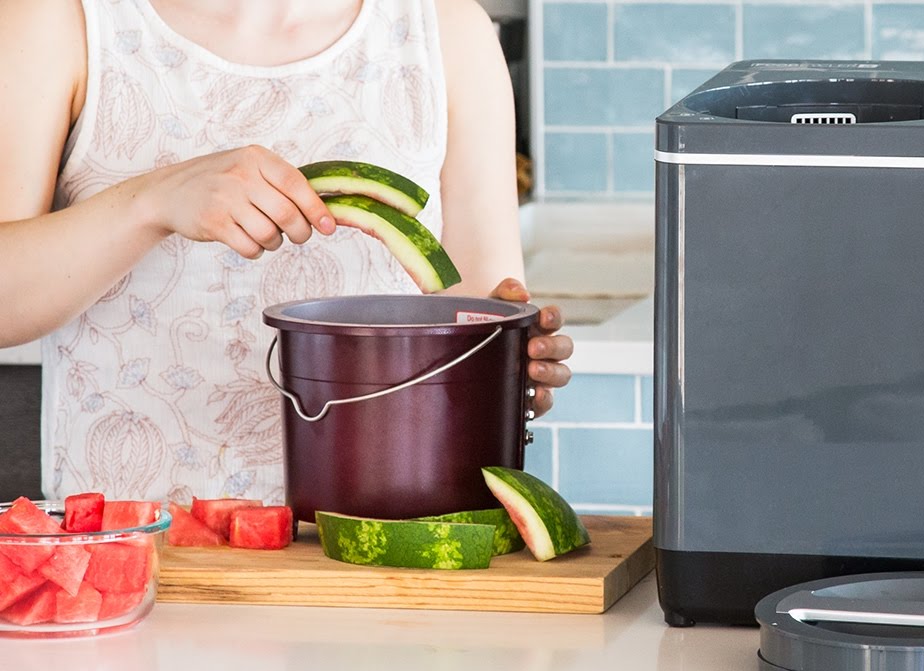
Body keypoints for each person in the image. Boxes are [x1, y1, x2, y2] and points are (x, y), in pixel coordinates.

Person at [0, 0, 572, 503]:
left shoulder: (449, 33)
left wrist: (513, 369)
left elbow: (480, 318)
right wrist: (150, 202)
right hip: (133, 553)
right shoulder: (53, 19)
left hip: (385, 542)